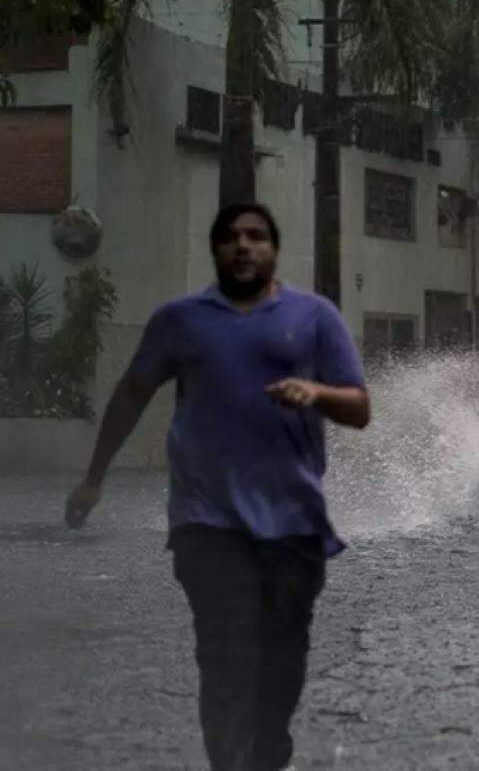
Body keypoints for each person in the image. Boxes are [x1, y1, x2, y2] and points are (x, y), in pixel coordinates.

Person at [64, 203, 370, 771]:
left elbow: (359, 408)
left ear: (274, 249)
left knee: (281, 669)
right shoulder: (180, 321)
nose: (243, 246)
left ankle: (268, 754)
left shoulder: (315, 317)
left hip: (294, 526)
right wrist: (94, 478)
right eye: (230, 238)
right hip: (206, 525)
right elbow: (132, 393)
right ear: (216, 251)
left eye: (256, 237)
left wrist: (316, 393)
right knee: (226, 659)